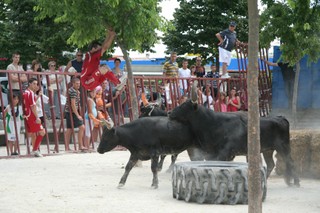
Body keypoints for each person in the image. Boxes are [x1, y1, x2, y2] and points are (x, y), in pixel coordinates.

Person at [23, 78, 46, 157]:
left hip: (28, 116)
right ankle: (35, 150)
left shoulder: (26, 92)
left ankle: (31, 150)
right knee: (42, 131)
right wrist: (37, 117)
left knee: (31, 133)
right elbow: (32, 106)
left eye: (36, 84)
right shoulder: (30, 93)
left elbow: (30, 104)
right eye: (34, 84)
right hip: (32, 116)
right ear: (29, 84)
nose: (36, 85)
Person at [64, 77, 85, 151]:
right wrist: (77, 115)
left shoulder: (74, 91)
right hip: (72, 112)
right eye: (76, 83)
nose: (78, 85)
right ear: (73, 84)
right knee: (81, 127)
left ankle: (67, 147)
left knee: (69, 129)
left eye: (79, 83)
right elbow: (73, 104)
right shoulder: (73, 91)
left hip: (70, 111)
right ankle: (80, 145)